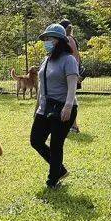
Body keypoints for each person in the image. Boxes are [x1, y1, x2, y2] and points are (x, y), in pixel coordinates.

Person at [30, 23, 80, 189]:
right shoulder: (46, 60)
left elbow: (72, 85)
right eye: (45, 39)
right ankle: (60, 169)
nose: (46, 42)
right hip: (45, 107)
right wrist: (37, 107)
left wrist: (67, 106)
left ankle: (53, 180)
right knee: (36, 140)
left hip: (63, 107)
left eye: (49, 38)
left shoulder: (69, 60)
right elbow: (41, 86)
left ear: (59, 41)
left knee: (56, 144)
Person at [60, 19, 83, 133]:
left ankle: (73, 126)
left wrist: (73, 73)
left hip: (70, 73)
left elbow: (74, 56)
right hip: (70, 72)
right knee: (69, 97)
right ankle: (72, 125)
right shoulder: (70, 39)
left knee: (70, 98)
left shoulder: (68, 39)